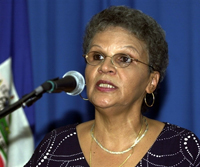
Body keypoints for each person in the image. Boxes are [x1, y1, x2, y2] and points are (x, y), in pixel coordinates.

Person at [24, 6, 200, 167]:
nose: (105, 67)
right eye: (97, 56)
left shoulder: (181, 148)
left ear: (151, 82)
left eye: (124, 59)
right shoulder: (55, 147)